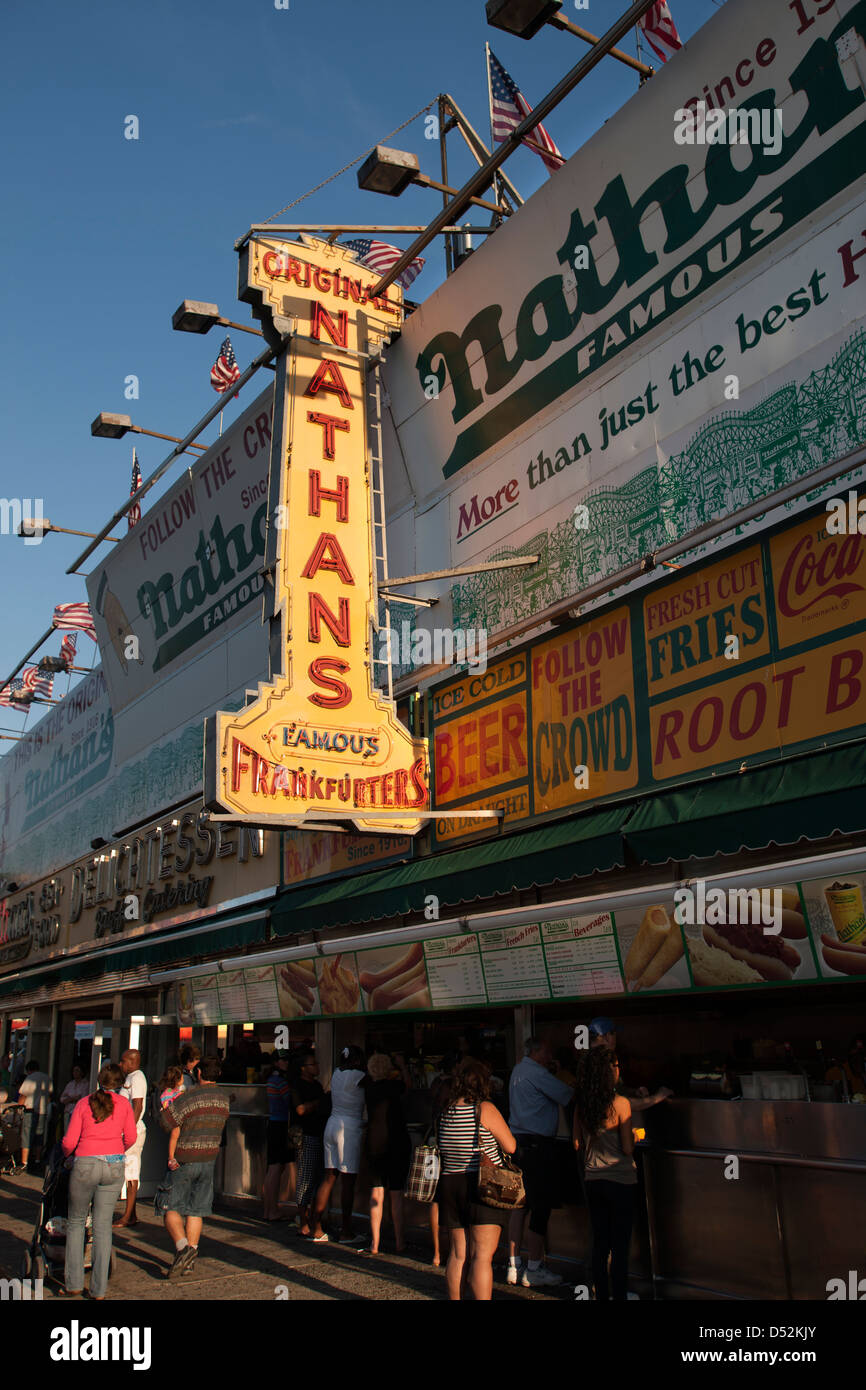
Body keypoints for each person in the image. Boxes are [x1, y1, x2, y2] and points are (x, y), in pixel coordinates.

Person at [437, 1057, 517, 1301]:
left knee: (458, 1253)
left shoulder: (446, 1109)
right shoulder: (485, 1109)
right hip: (482, 1184)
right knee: (482, 1256)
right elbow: (511, 1146)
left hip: (451, 1183)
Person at [61, 1062, 137, 1300]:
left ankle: (73, 1283)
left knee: (76, 1222)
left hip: (85, 1163)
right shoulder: (124, 1104)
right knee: (103, 1227)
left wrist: (67, 1157)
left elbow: (69, 1140)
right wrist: (116, 1151)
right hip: (114, 1165)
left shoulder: (84, 1103)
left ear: (99, 1080)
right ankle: (98, 1290)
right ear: (121, 1083)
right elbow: (131, 1137)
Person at [506, 1037, 573, 1287]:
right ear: (537, 1052)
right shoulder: (536, 1072)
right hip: (539, 1147)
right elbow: (567, 1094)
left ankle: (513, 1265)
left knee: (519, 1205)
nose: (549, 1056)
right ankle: (534, 1267)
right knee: (540, 1206)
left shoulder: (518, 1070)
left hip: (519, 1143)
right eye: (547, 1051)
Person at [157, 1055, 230, 1278]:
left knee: (170, 1207)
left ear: (198, 1074)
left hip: (184, 1158)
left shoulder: (189, 1097)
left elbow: (166, 1122)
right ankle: (190, 1260)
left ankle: (183, 1248)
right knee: (196, 1211)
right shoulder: (223, 1098)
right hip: (209, 1158)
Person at [573, 1047, 637, 1301]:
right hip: (621, 1179)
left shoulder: (582, 1105)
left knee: (600, 1243)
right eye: (616, 1066)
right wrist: (634, 1135)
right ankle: (619, 1295)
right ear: (607, 1072)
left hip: (593, 1179)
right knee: (620, 1247)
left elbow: (577, 1144)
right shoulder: (621, 1104)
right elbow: (627, 1148)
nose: (619, 1070)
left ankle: (600, 1296)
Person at [311, 1045, 366, 1245]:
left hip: (331, 1125)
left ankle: (316, 1227)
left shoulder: (335, 1073)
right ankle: (346, 1231)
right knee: (348, 1182)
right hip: (349, 1128)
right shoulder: (359, 1075)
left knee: (329, 1178)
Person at [362, 1052, 412, 1255]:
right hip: (396, 1140)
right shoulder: (394, 1087)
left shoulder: (367, 1088)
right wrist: (402, 1065)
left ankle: (375, 1242)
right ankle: (400, 1241)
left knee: (377, 1191)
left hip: (374, 1141)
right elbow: (408, 1085)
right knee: (396, 1194)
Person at [588, 1017, 673, 1112]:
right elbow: (615, 1104)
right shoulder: (596, 1064)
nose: (616, 1038)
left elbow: (615, 1089)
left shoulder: (603, 1059)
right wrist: (656, 1097)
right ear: (607, 1036)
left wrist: (633, 1092)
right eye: (614, 1033)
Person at [290, 1049, 326, 1239]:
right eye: (313, 1064)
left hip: (320, 1134)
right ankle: (303, 1220)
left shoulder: (318, 1085)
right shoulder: (297, 1086)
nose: (317, 1067)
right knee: (305, 1178)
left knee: (318, 1177)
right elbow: (300, 1109)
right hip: (306, 1136)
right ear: (304, 1068)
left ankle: (311, 1218)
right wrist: (317, 1103)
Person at [427, 1052, 458, 1268]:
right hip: (450, 1146)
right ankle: (452, 1250)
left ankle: (437, 1251)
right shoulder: (454, 1086)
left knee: (435, 1200)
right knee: (450, 1200)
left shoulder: (436, 1083)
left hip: (433, 1141)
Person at [114, 1049, 147, 1228]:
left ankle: (127, 1216)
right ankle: (131, 1213)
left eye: (124, 1061)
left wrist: (129, 1129)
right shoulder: (130, 1078)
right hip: (128, 1130)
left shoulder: (137, 1078)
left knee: (132, 1172)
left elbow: (138, 1105)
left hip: (134, 1131)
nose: (121, 1064)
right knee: (129, 1172)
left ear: (133, 1062)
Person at [263, 1050, 296, 1221]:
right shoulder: (280, 1081)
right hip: (281, 1125)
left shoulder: (271, 1079)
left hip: (273, 1123)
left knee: (273, 1168)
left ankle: (268, 1209)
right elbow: (290, 1101)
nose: (287, 1063)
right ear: (276, 1062)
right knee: (276, 1168)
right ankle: (272, 1209)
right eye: (283, 1060)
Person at [16, 1059, 53, 1169]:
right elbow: (49, 1096)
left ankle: (24, 1162)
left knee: (26, 1136)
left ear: (29, 1070)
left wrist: (18, 1110)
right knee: (39, 1136)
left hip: (30, 1110)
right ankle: (37, 1159)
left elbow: (23, 1095)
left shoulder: (30, 1078)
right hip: (43, 1111)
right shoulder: (47, 1078)